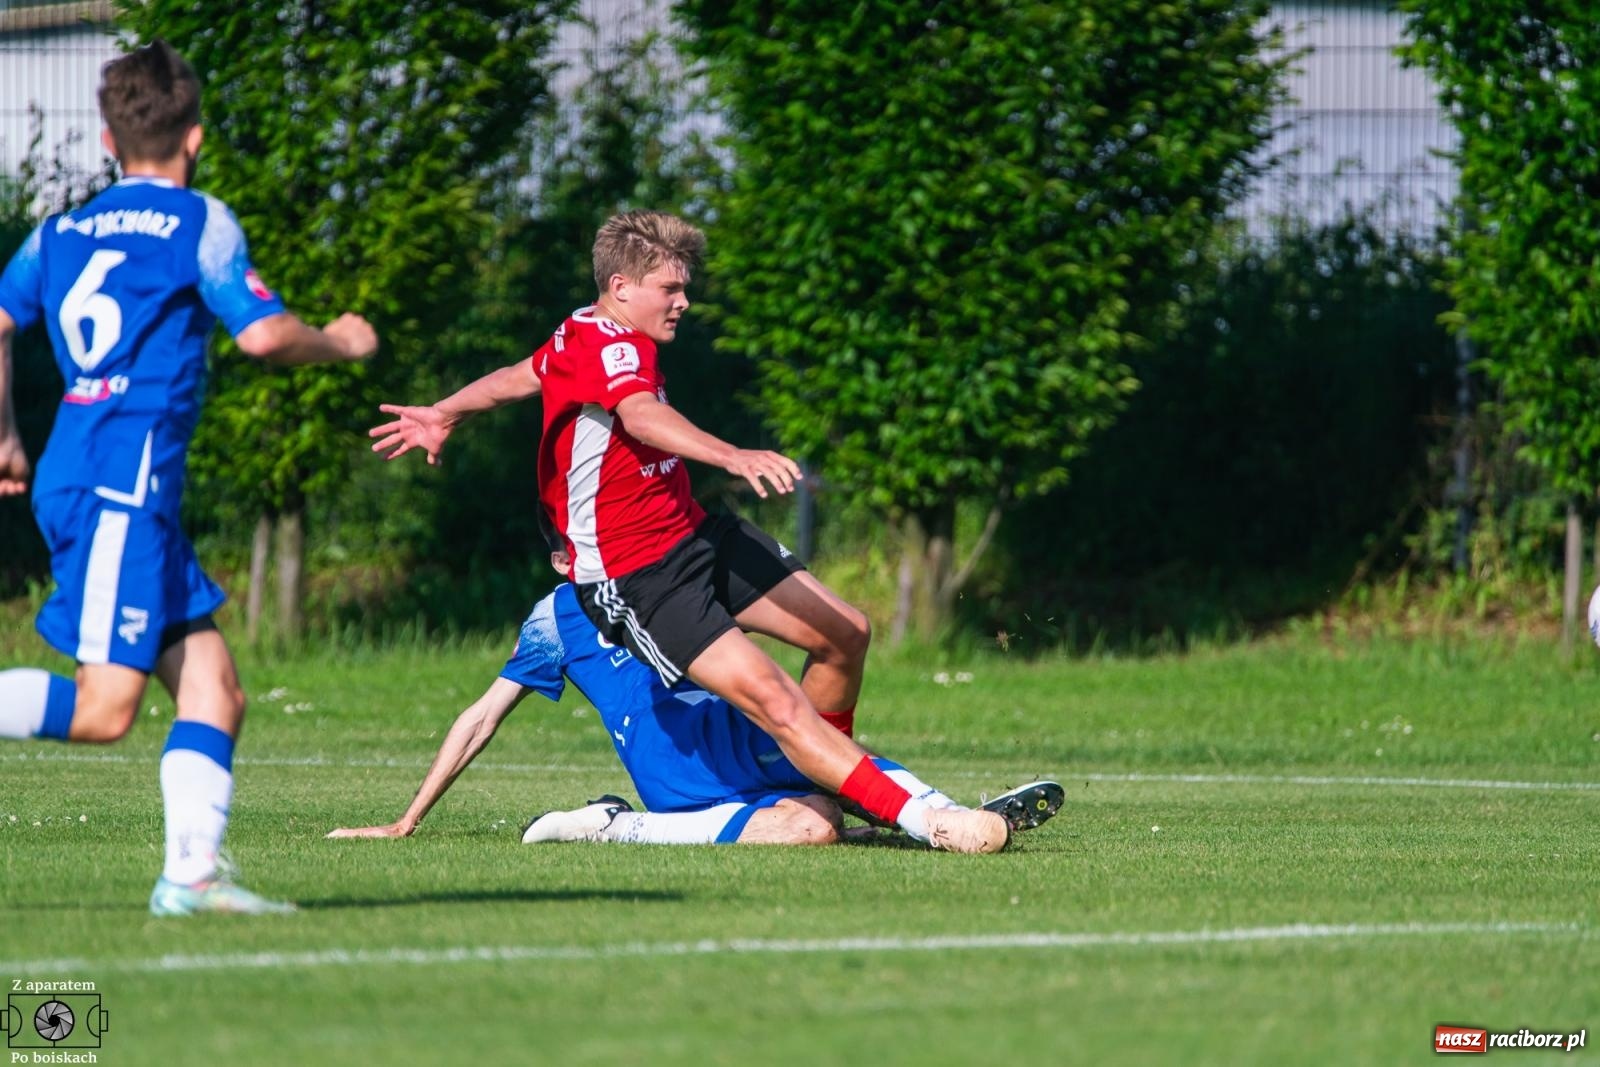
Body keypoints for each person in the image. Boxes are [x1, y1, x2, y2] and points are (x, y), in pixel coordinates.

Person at [371, 210, 1008, 853]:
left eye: (684, 287)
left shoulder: (579, 332)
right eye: (669, 289)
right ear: (622, 287)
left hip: (696, 535)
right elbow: (641, 416)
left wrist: (445, 411)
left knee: (846, 632)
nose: (684, 301)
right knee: (774, 698)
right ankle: (928, 820)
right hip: (638, 574)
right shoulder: (612, 346)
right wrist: (733, 457)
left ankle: (837, 785)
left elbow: (525, 375)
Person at [0, 40, 378, 916]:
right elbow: (262, 334)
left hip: (104, 482)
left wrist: (8, 437)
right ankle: (191, 875)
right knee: (107, 709)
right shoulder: (197, 221)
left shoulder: (56, 234)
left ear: (106, 140)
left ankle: (192, 876)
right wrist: (340, 340)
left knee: (216, 687)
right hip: (119, 487)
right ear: (195, 137)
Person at [327, 568, 1064, 847]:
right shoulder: (554, 617)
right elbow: (482, 715)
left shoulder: (667, 571)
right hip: (675, 773)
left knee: (808, 745)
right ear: (562, 557)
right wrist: (405, 819)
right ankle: (614, 827)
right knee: (813, 828)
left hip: (732, 729)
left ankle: (943, 816)